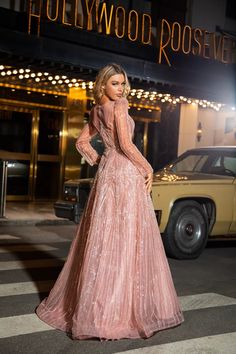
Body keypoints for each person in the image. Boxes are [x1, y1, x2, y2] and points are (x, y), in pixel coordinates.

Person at [36, 63, 184, 340]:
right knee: (126, 238)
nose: (120, 88)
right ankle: (118, 310)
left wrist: (101, 160)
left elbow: (82, 143)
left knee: (104, 238)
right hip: (125, 174)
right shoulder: (119, 106)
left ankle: (97, 308)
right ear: (102, 85)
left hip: (107, 176)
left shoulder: (96, 110)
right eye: (114, 83)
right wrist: (147, 167)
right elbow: (127, 145)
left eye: (122, 84)